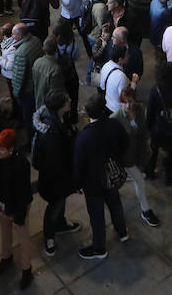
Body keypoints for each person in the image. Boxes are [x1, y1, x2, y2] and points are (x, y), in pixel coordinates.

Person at [72, 94, 129, 260]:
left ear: (88, 114)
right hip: (112, 175)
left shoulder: (84, 137)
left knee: (97, 215)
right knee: (115, 203)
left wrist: (77, 183)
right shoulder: (114, 125)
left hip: (93, 184)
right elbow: (125, 143)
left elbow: (79, 164)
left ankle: (99, 248)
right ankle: (122, 231)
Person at [31, 90, 80, 257]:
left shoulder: (59, 119)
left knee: (60, 202)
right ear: (59, 107)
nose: (70, 99)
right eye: (67, 99)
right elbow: (55, 160)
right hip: (55, 178)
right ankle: (49, 236)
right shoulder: (51, 133)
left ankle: (61, 224)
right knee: (54, 206)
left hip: (61, 176)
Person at [0, 128, 35, 290]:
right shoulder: (1, 159)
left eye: (1, 149)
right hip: (3, 204)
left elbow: (23, 192)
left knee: (23, 239)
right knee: (5, 233)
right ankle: (6, 257)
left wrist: (20, 215)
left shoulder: (21, 164)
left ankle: (26, 269)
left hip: (17, 207)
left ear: (11, 149)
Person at [112, 84, 161, 228]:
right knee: (139, 181)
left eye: (130, 101)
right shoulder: (115, 118)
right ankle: (146, 210)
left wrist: (147, 144)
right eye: (124, 102)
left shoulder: (139, 110)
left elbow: (144, 130)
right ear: (120, 102)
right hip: (125, 157)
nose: (128, 105)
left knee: (126, 181)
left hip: (137, 153)